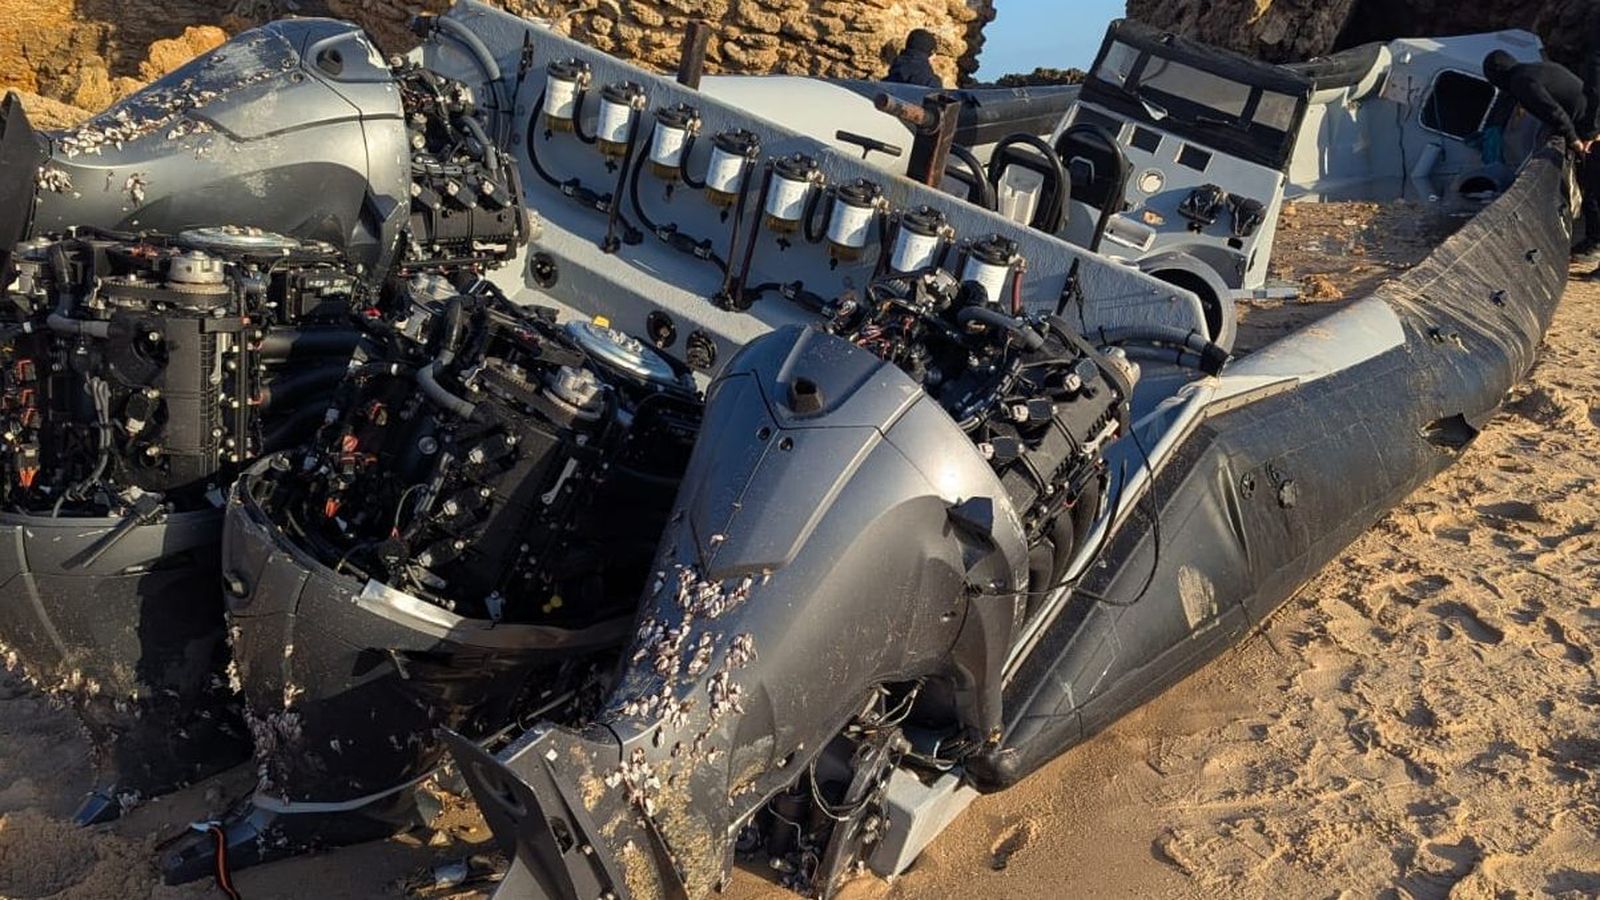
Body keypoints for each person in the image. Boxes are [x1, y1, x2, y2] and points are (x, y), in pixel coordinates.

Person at [1482, 49, 1600, 261]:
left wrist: (1573, 139)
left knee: (1595, 192)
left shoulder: (1521, 82)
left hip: (1592, 128)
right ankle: (1593, 241)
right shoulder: (1538, 68)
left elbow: (1553, 111)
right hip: (1592, 119)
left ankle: (1595, 245)